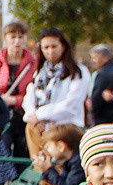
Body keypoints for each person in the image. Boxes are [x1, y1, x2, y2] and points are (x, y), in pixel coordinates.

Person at [23, 28, 87, 157]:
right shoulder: (40, 73)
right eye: (46, 47)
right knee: (31, 129)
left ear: (63, 46)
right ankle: (40, 172)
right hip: (39, 125)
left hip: (67, 126)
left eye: (54, 46)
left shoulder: (78, 71)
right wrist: (34, 117)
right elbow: (29, 98)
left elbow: (72, 104)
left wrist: (40, 115)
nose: (50, 51)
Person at [0, 22, 38, 141]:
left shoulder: (34, 63)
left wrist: (15, 100)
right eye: (13, 37)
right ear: (5, 38)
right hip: (0, 113)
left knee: (23, 149)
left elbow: (38, 91)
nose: (17, 41)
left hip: (24, 114)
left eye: (21, 37)